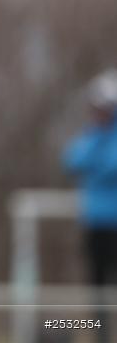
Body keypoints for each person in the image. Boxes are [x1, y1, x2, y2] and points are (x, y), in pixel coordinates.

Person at [62, 68, 117, 343]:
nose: (99, 113)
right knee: (97, 288)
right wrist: (98, 144)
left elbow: (111, 166)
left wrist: (99, 162)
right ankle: (102, 337)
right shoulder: (91, 135)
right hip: (96, 223)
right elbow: (73, 161)